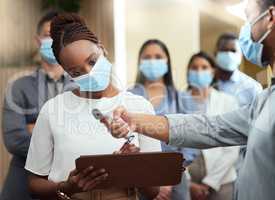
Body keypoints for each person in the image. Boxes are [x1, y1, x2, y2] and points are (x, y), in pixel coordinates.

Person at [103, 0, 275, 199]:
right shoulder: (265, 100)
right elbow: (210, 127)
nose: (245, 30)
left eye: (248, 17)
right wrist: (135, 120)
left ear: (270, 17)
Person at [24, 13, 161, 200]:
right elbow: (34, 184)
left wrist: (135, 164)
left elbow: (153, 191)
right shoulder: (53, 110)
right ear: (68, 74)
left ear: (102, 50)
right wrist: (66, 187)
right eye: (76, 71)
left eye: (92, 61)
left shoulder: (139, 106)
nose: (89, 73)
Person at [1, 10, 74, 200]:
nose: (55, 40)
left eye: (60, 36)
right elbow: (15, 140)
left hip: (71, 184)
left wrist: (37, 130)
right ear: (37, 40)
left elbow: (90, 132)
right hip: (22, 185)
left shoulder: (82, 87)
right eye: (49, 35)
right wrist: (65, 140)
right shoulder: (18, 86)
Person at [129, 39, 195, 200]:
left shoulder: (181, 98)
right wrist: (150, 183)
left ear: (167, 62)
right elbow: (124, 138)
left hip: (176, 179)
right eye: (147, 57)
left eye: (158, 57)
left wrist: (170, 177)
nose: (153, 61)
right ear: (139, 62)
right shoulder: (128, 97)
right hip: (141, 178)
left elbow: (191, 139)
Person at [179, 52, 239, 200]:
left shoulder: (228, 102)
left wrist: (210, 183)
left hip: (222, 180)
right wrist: (188, 183)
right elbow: (173, 146)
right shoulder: (178, 100)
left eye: (204, 67)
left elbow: (232, 147)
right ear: (188, 72)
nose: (199, 71)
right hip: (186, 179)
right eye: (194, 68)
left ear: (212, 71)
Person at [215, 32, 263, 107]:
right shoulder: (207, 84)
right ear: (216, 53)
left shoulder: (252, 87)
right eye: (224, 50)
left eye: (233, 51)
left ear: (241, 55)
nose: (229, 54)